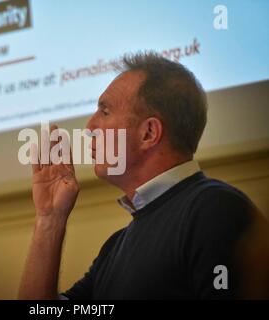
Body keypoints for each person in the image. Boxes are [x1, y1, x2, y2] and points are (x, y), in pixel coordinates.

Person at [18, 52, 259, 300]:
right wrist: (50, 219)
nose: (89, 128)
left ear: (148, 133)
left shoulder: (215, 210)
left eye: (105, 111)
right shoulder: (114, 247)